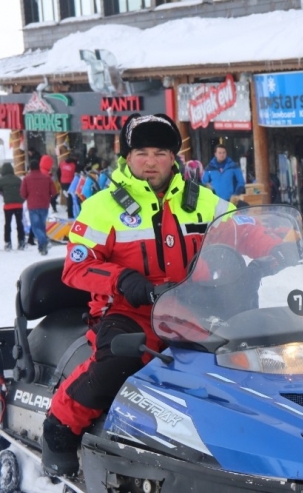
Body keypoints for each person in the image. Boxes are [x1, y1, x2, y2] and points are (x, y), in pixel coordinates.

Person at [40, 113, 287, 477]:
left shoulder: (204, 201)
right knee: (114, 369)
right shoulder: (101, 207)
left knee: (258, 359)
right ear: (126, 156)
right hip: (130, 313)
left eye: (160, 152)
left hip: (199, 309)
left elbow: (244, 230)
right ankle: (59, 428)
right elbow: (77, 268)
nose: (151, 161)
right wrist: (125, 280)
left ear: (174, 156)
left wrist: (279, 247)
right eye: (141, 152)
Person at [20, 158, 56, 255]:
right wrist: (47, 197)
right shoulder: (47, 177)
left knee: (36, 227)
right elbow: (53, 192)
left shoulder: (26, 179)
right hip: (44, 204)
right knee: (42, 226)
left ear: (30, 168)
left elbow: (23, 194)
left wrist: (30, 196)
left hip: (33, 205)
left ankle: (44, 241)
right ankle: (42, 248)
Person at [0, 161, 25, 250]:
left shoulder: (1, 180)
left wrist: (4, 195)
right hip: (19, 205)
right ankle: (21, 242)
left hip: (8, 206)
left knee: (7, 224)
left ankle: (8, 243)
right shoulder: (17, 179)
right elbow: (23, 190)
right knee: (19, 224)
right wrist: (22, 200)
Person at [57, 150, 79, 219]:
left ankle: (70, 213)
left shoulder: (62, 164)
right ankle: (71, 214)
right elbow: (77, 175)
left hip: (63, 184)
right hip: (71, 183)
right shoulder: (74, 165)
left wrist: (60, 182)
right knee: (72, 199)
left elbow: (58, 173)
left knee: (68, 198)